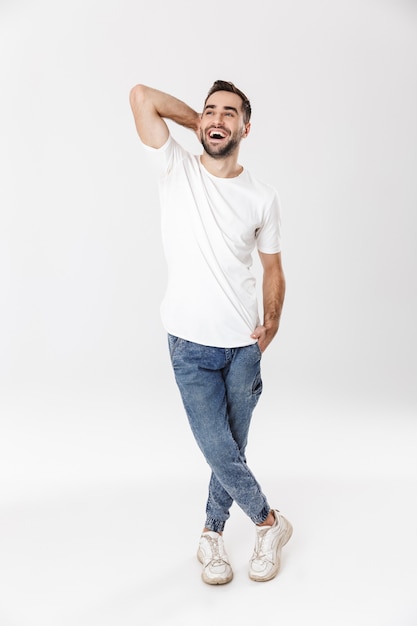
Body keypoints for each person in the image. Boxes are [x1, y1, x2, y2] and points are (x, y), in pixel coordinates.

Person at [129, 80, 292, 585]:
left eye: (229, 113)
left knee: (231, 450)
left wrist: (273, 321)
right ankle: (269, 521)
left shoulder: (262, 197)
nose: (217, 120)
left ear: (247, 127)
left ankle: (211, 535)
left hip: (244, 346)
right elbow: (140, 96)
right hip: (190, 344)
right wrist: (192, 121)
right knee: (216, 446)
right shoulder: (176, 167)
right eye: (210, 111)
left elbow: (272, 268)